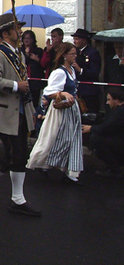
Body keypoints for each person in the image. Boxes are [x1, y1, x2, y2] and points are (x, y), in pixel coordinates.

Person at [0, 13, 40, 217]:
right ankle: (11, 197)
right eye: (16, 29)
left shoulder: (18, 54)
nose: (20, 32)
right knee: (15, 152)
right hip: (5, 112)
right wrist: (15, 85)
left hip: (19, 110)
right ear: (6, 33)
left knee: (17, 153)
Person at [27, 43, 83, 183]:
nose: (75, 56)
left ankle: (70, 171)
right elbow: (48, 91)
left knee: (72, 139)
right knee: (53, 137)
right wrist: (63, 93)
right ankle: (42, 162)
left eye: (75, 54)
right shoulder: (59, 72)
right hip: (60, 110)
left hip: (72, 109)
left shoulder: (72, 71)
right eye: (72, 54)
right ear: (64, 55)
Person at [82, 88, 124, 177]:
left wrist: (91, 128)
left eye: (109, 100)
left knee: (96, 140)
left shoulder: (120, 112)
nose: (107, 103)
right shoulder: (118, 111)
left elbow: (107, 127)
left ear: (117, 100)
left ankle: (115, 169)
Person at [72, 29, 101, 114]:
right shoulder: (75, 52)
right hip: (78, 90)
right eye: (74, 39)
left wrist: (80, 70)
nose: (75, 41)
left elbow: (94, 72)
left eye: (77, 39)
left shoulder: (92, 53)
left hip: (89, 91)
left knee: (89, 113)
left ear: (84, 40)